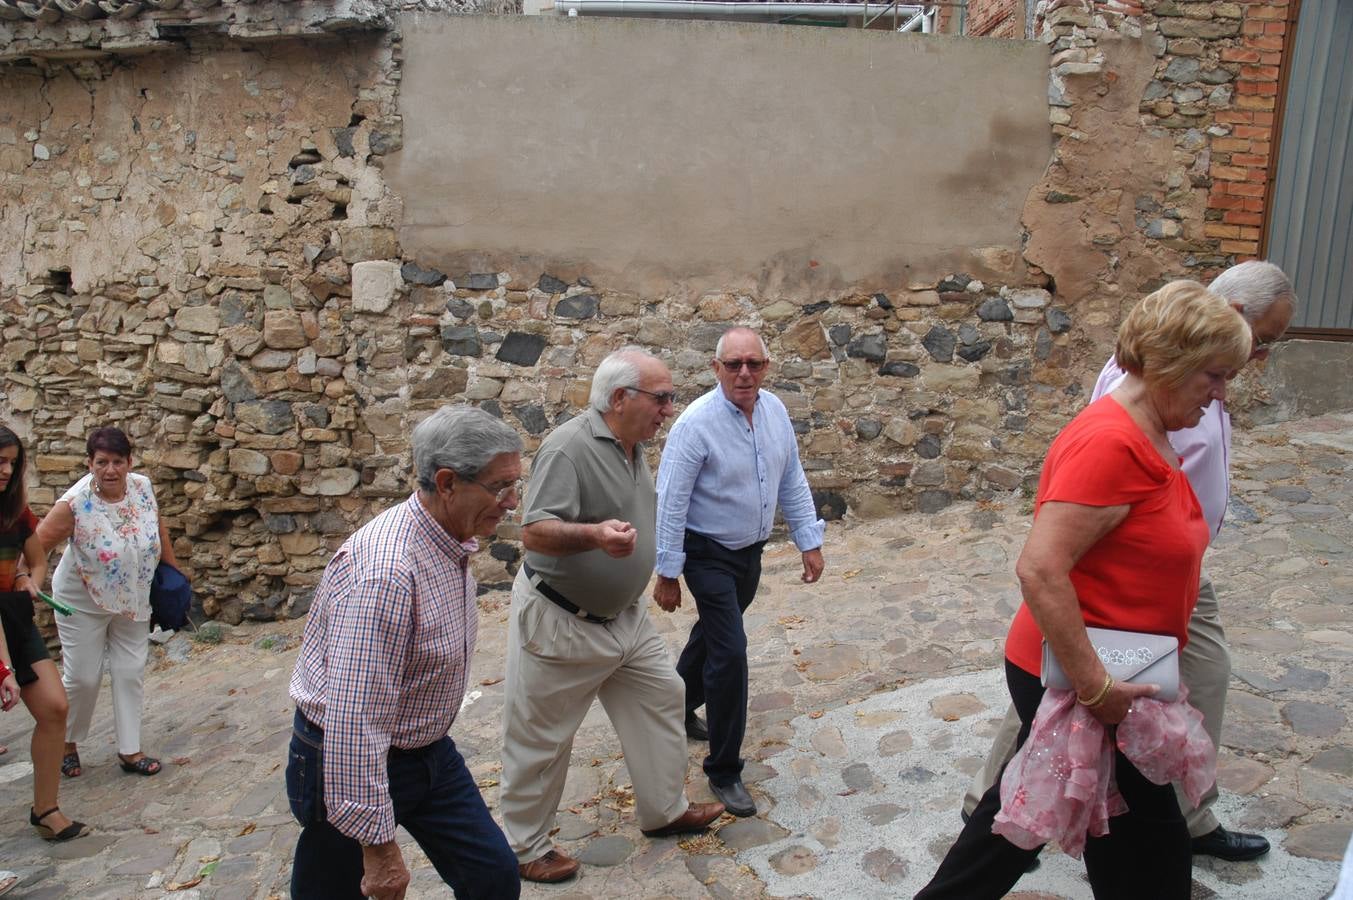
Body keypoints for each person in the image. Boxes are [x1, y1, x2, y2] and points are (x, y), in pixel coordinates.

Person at [916, 281, 1253, 899]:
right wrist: (1096, 689)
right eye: (1214, 375)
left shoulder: (1149, 430)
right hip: (1092, 674)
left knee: (1029, 832)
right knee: (1147, 849)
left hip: (1121, 668)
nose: (1221, 393)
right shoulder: (1110, 442)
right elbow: (1040, 569)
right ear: (1171, 362)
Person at [501, 348, 725, 884]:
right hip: (562, 620)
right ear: (621, 398)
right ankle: (526, 847)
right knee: (541, 739)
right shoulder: (569, 447)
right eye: (662, 398)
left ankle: (664, 811)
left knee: (663, 697)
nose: (669, 409)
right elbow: (534, 532)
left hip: (624, 618)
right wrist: (595, 535)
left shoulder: (632, 445)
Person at [286, 405, 523, 900]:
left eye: (513, 485)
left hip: (425, 750)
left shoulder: (448, 538)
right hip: (349, 757)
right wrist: (378, 848)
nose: (512, 501)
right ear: (448, 482)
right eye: (500, 487)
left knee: (492, 878)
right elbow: (356, 718)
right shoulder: (387, 573)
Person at [654, 327, 825, 818]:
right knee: (730, 653)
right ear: (717, 369)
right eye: (734, 364)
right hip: (706, 553)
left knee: (713, 637)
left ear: (766, 367)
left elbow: (791, 476)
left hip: (750, 552)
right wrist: (668, 571)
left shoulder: (776, 412)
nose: (744, 373)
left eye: (754, 363)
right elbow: (671, 500)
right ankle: (724, 769)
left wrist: (808, 540)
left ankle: (674, 707)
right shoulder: (696, 424)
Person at [35, 427, 177, 781]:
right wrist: (23, 581)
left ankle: (130, 750)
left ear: (129, 462)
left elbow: (158, 530)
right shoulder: (74, 503)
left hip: (133, 594)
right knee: (83, 678)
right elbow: (36, 546)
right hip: (82, 600)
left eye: (117, 462)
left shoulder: (142, 487)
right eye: (101, 462)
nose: (110, 470)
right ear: (90, 464)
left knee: (130, 670)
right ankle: (66, 742)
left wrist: (175, 575)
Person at [0, 424, 88, 842]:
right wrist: (4, 669)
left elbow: (36, 561)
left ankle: (46, 809)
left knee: (54, 707)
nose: (6, 470)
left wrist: (26, 580)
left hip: (13, 620)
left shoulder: (15, 514)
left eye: (11, 463)